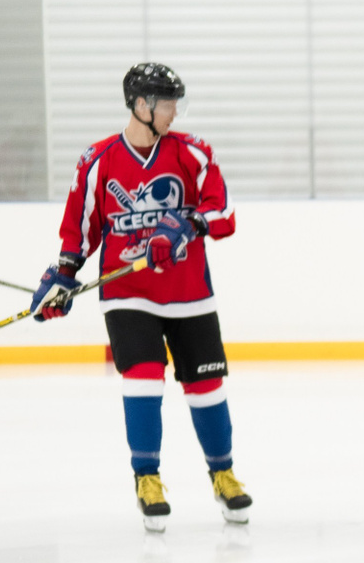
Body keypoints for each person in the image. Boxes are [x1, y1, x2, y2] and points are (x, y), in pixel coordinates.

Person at [30, 63, 247, 532]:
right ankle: (147, 478)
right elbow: (80, 229)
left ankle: (223, 473)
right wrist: (63, 275)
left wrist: (187, 224)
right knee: (144, 378)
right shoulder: (98, 160)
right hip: (128, 292)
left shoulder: (192, 152)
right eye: (167, 103)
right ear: (142, 105)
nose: (174, 112)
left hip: (189, 292)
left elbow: (223, 212)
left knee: (207, 386)